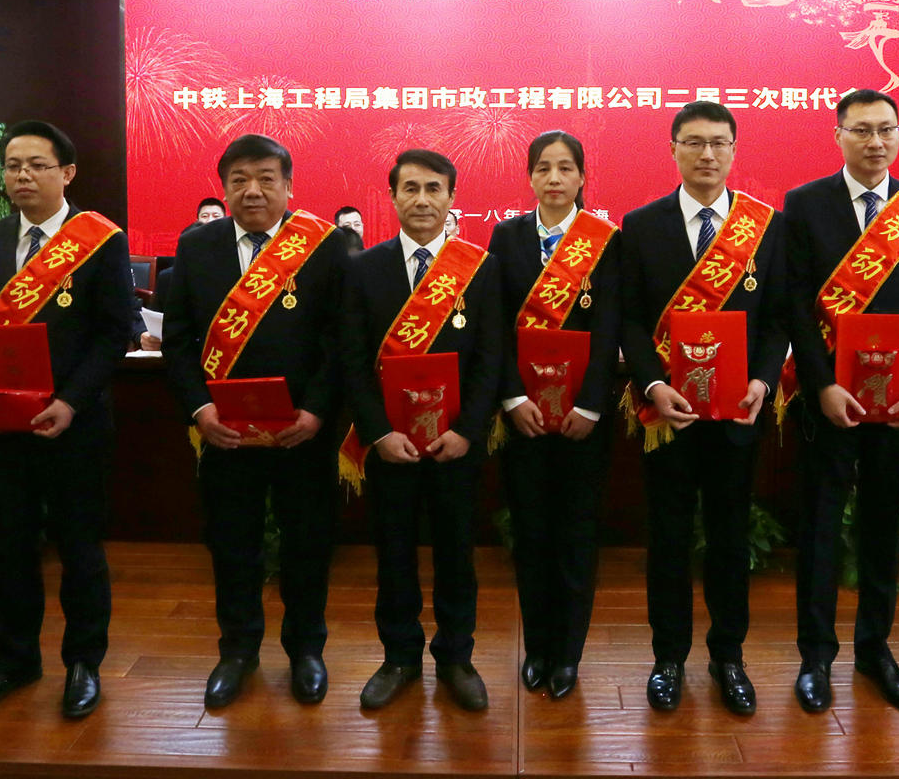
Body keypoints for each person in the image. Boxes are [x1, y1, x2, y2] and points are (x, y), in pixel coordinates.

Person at [0, 120, 140, 719]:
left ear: (67, 172)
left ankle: (84, 663)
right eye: (13, 165)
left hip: (73, 426)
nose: (22, 176)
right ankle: (12, 661)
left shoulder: (99, 239)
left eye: (36, 165)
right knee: (7, 549)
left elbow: (116, 332)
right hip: (0, 427)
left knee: (79, 550)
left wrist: (71, 401)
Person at [162, 134, 350, 709]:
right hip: (225, 433)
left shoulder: (324, 246)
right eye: (239, 179)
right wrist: (201, 410)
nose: (253, 190)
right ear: (223, 187)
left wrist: (316, 411)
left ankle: (306, 650)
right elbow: (178, 341)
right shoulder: (197, 246)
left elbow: (340, 341)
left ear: (288, 186)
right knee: (232, 544)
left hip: (302, 433)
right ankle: (237, 651)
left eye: (267, 178)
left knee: (307, 543)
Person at [615, 100, 789, 716]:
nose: (707, 154)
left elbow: (777, 320)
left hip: (737, 414)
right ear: (673, 150)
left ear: (734, 150)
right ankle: (668, 657)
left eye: (719, 142)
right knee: (667, 537)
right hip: (667, 415)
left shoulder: (765, 227)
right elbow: (630, 319)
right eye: (693, 142)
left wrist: (763, 381)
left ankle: (728, 656)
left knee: (729, 536)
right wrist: (651, 384)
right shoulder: (641, 226)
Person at [779, 89, 899, 714]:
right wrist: (821, 384)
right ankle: (816, 656)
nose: (876, 142)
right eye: (862, 130)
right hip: (829, 400)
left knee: (883, 526)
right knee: (821, 527)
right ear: (838, 135)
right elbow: (795, 303)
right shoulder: (805, 205)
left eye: (886, 130)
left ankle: (876, 651)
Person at [342, 149, 503, 712]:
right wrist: (378, 433)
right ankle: (399, 657)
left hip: (455, 445)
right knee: (394, 554)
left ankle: (457, 657)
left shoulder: (478, 269)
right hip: (392, 446)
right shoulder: (364, 268)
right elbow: (353, 360)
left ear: (452, 198)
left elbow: (490, 358)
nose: (422, 200)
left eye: (434, 189)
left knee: (457, 554)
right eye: (410, 188)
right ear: (392, 197)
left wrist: (468, 430)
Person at [487, 131, 621, 701]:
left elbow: (610, 327)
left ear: (582, 177)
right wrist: (513, 399)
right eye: (544, 168)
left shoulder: (604, 240)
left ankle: (568, 654)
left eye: (566, 168)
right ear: (530, 177)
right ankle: (537, 648)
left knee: (576, 535)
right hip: (525, 417)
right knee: (532, 534)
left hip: (582, 421)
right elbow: (496, 325)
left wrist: (590, 405)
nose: (555, 178)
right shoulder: (507, 236)